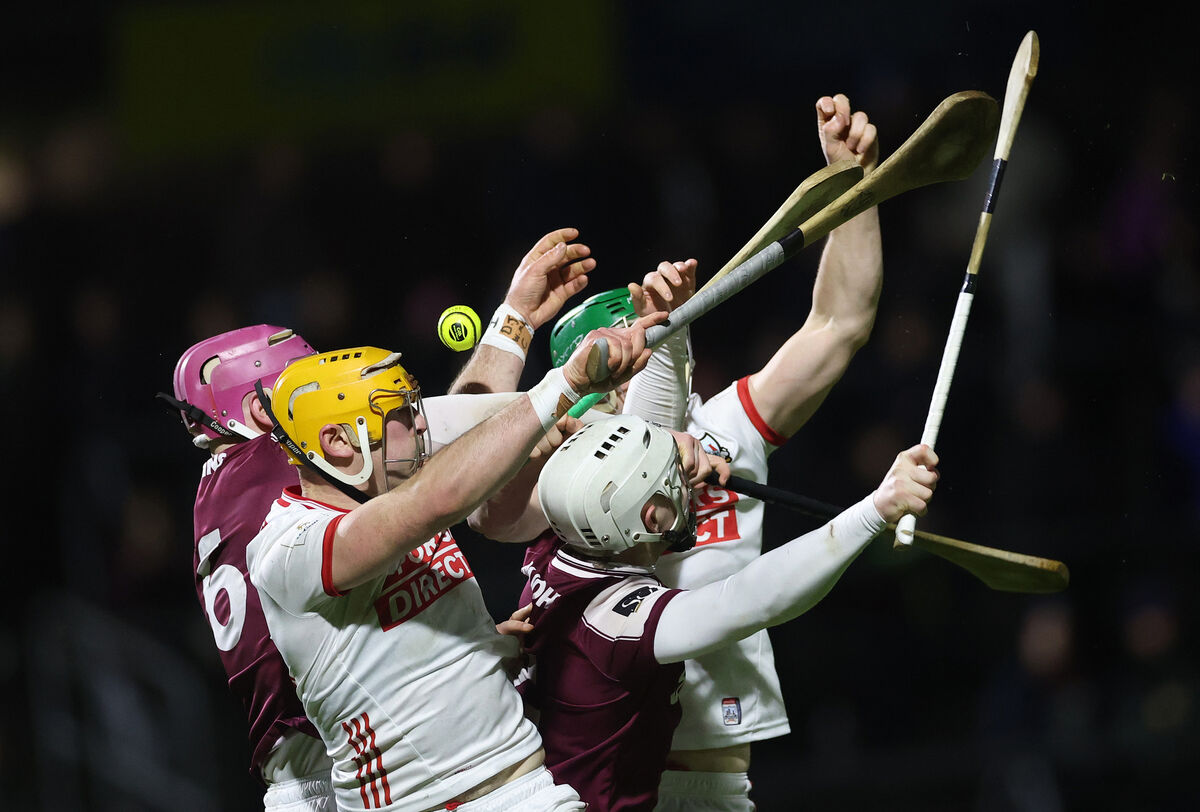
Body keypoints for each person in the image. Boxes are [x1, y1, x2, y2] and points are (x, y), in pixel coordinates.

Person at [157, 229, 597, 811]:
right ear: (274, 411)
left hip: (323, 760)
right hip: (343, 773)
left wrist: (457, 655)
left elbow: (428, 454)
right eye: (309, 382)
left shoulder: (228, 487)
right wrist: (564, 389)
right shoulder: (280, 469)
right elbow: (448, 458)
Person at [535, 92, 883, 810]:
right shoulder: (552, 473)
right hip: (598, 787)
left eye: (624, 359)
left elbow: (839, 324)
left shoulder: (728, 425)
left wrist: (853, 185)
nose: (601, 400)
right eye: (589, 383)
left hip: (720, 781)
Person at [242, 301, 662, 811]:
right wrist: (563, 385)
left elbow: (468, 435)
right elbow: (431, 501)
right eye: (398, 415)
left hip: (527, 787)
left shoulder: (385, 480)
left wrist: (517, 314)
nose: (420, 427)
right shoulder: (288, 547)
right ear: (336, 442)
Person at [516, 414, 938, 811]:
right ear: (650, 518)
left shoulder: (552, 545)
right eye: (673, 483)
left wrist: (678, 446)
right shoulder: (618, 621)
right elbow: (752, 596)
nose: (689, 488)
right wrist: (876, 509)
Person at [157, 324, 338, 811]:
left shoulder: (216, 492)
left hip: (295, 770)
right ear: (262, 410)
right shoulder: (279, 462)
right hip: (338, 764)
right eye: (306, 390)